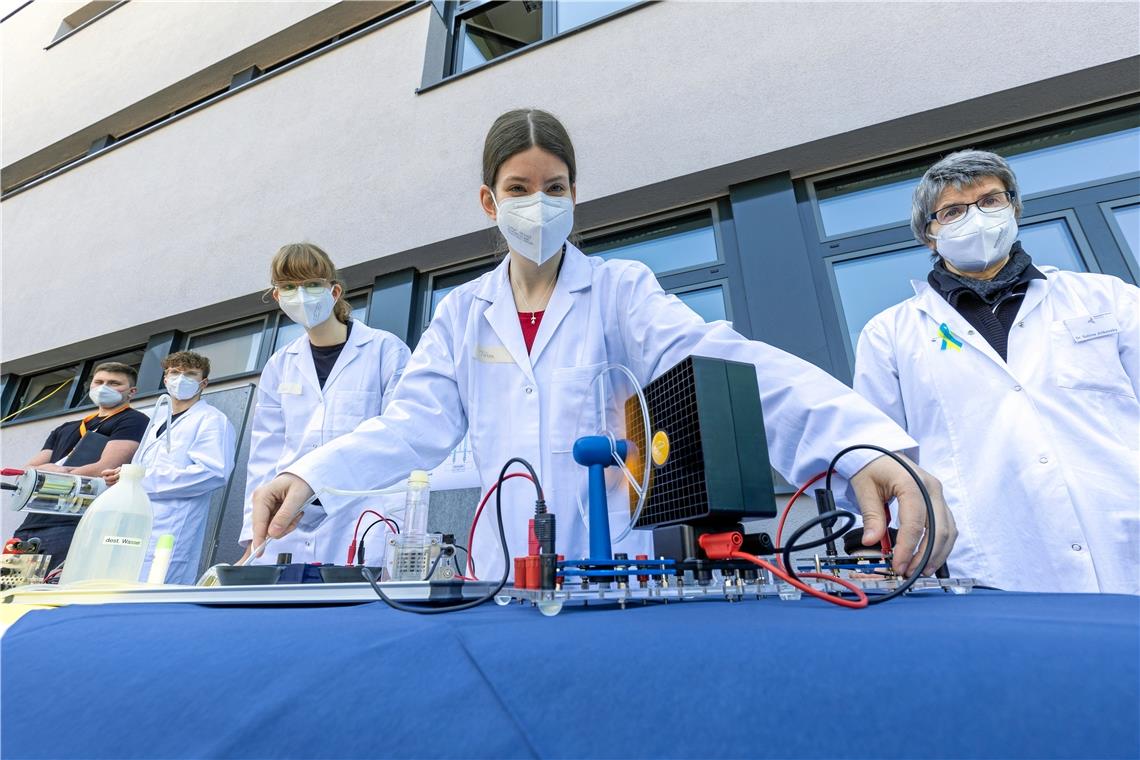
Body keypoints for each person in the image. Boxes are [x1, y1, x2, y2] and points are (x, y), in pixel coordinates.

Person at [251, 109, 957, 580]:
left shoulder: (620, 291)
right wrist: (314, 472)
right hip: (500, 563)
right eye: (519, 188)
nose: (539, 204)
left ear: (575, 194)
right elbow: (412, 425)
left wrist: (857, 443)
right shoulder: (463, 312)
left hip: (613, 558)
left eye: (554, 187)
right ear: (489, 203)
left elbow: (716, 358)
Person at [854, 149, 1139, 593]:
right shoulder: (890, 333)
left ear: (1014, 207)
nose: (977, 218)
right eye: (953, 211)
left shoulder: (1107, 299)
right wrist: (876, 553)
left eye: (990, 201)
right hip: (993, 561)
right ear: (930, 235)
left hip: (1124, 538)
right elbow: (878, 457)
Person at [237, 243, 411, 565]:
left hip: (363, 511)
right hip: (287, 520)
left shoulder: (385, 350)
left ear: (334, 291)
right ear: (278, 297)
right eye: (289, 287)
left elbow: (399, 435)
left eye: (311, 285)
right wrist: (253, 534)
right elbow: (265, 454)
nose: (300, 295)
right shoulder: (279, 365)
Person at [102, 352, 236, 584]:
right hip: (136, 521)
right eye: (175, 373)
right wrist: (123, 478)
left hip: (172, 527)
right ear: (165, 379)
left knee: (155, 588)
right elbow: (140, 467)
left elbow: (212, 474)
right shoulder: (156, 420)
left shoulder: (212, 420)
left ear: (203, 383)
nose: (181, 379)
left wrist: (139, 480)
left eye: (190, 374)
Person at [11, 362, 150, 569]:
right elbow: (28, 470)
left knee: (54, 589)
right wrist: (63, 472)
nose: (105, 387)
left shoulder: (134, 420)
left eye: (114, 383)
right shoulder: (66, 427)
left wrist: (53, 471)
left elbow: (105, 468)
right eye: (99, 381)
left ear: (132, 392)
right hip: (34, 519)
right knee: (13, 587)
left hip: (76, 521)